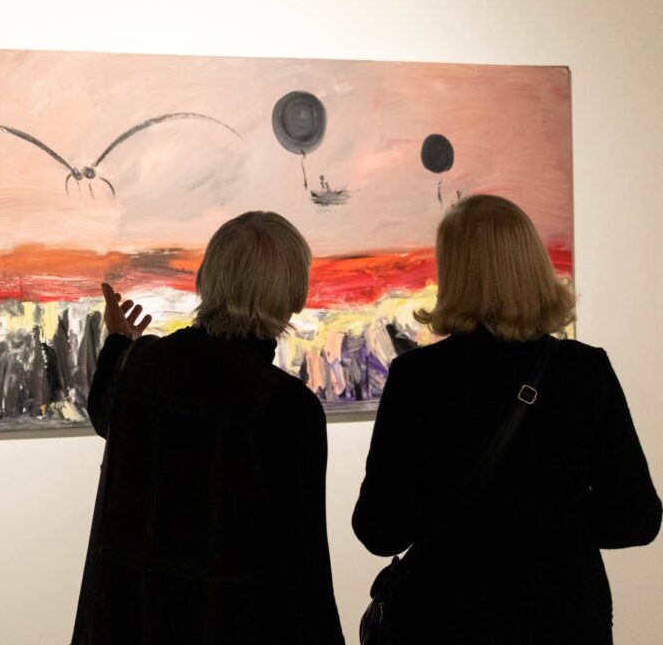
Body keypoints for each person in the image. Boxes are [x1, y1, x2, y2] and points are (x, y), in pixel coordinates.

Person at [353, 195, 661, 644]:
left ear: (453, 272)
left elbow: (379, 530)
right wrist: (554, 522)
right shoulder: (583, 370)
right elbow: (637, 518)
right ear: (531, 264)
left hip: (444, 617)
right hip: (563, 617)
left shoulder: (417, 378)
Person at [72, 211, 344, 645]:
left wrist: (120, 341)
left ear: (209, 278)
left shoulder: (140, 365)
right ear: (291, 294)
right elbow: (303, 569)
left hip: (131, 622)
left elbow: (106, 415)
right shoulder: (288, 407)